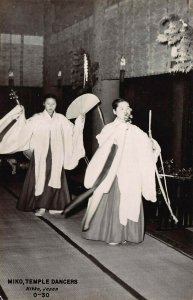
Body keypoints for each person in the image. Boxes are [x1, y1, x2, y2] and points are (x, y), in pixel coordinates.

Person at [82, 98, 160, 245]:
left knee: (131, 200)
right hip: (115, 172)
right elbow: (103, 148)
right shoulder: (109, 128)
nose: (125, 111)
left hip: (132, 172)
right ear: (114, 111)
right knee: (116, 200)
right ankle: (112, 235)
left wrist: (152, 145)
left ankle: (127, 234)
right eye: (121, 108)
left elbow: (145, 149)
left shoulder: (135, 130)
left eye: (127, 108)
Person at [0, 94, 85, 216]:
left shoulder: (61, 118)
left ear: (56, 105)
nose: (51, 106)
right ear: (44, 104)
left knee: (56, 178)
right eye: (48, 103)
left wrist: (79, 122)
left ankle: (55, 205)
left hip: (57, 154)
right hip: (41, 154)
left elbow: (72, 131)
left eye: (53, 104)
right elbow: (24, 129)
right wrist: (21, 113)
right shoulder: (37, 118)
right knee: (41, 178)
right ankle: (41, 206)